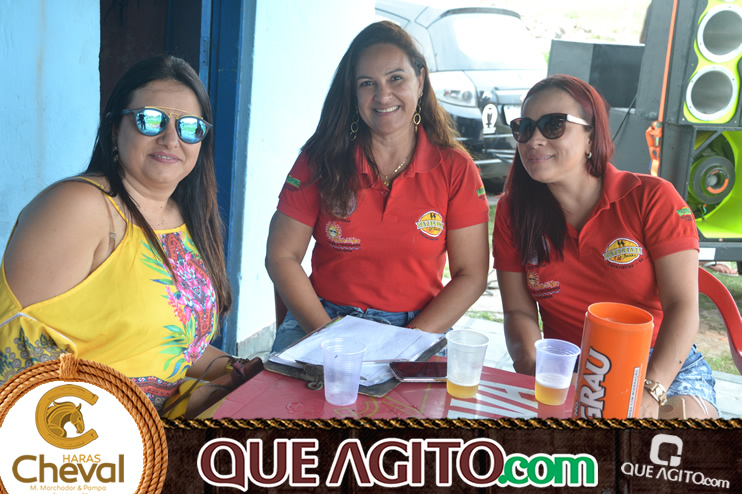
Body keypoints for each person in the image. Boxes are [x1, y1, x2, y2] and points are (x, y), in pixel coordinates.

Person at [0, 55, 234, 417]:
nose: (170, 139)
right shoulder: (80, 208)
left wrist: (241, 371)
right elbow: (16, 360)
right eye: (150, 120)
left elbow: (171, 346)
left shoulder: (184, 217)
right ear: (114, 129)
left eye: (190, 127)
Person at [492, 74, 717, 419]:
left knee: (670, 443)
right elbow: (518, 313)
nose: (534, 139)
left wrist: (649, 392)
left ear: (591, 137)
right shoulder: (514, 211)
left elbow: (682, 307)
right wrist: (535, 368)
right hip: (569, 364)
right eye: (524, 128)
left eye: (553, 125)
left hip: (659, 364)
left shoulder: (651, 198)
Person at [266, 21, 490, 353]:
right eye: (367, 83)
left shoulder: (455, 168)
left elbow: (471, 274)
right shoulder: (321, 159)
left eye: (396, 78)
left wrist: (405, 343)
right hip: (323, 320)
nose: (383, 96)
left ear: (420, 81)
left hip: (419, 326)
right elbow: (281, 255)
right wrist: (327, 337)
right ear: (353, 93)